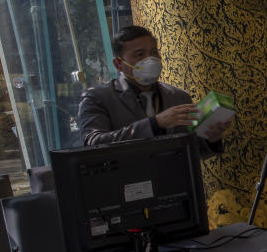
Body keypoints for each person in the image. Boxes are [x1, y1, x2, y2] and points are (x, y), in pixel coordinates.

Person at [78, 25, 228, 157]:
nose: (150, 60)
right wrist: (154, 124)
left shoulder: (179, 97)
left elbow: (194, 151)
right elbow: (93, 144)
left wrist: (211, 138)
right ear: (118, 64)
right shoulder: (97, 98)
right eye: (139, 54)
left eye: (154, 52)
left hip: (176, 184)